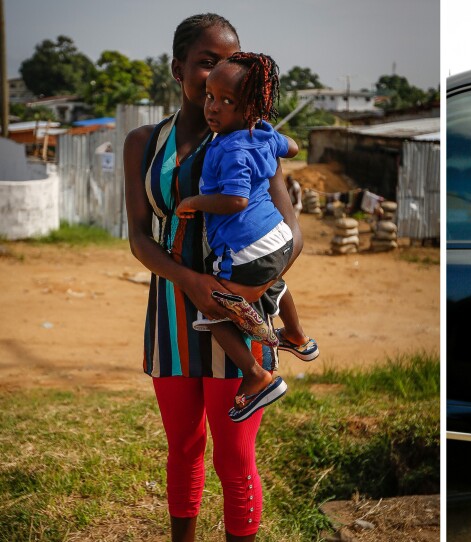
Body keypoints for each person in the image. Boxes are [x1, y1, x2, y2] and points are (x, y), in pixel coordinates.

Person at [123, 13, 304, 541]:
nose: (218, 75)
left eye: (228, 62)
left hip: (237, 314)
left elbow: (294, 233)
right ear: (177, 69)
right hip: (171, 320)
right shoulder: (143, 143)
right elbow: (139, 238)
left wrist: (243, 292)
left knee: (234, 456)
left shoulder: (252, 140)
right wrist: (190, 280)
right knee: (182, 447)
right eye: (206, 63)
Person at [173, 51, 313, 422]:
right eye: (210, 96)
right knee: (272, 280)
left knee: (214, 309)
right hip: (280, 238)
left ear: (249, 107)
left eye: (227, 101)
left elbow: (235, 200)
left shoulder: (232, 147)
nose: (213, 108)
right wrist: (271, 135)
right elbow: (294, 147)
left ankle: (256, 378)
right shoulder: (262, 133)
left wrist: (194, 201)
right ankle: (298, 337)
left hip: (248, 249)